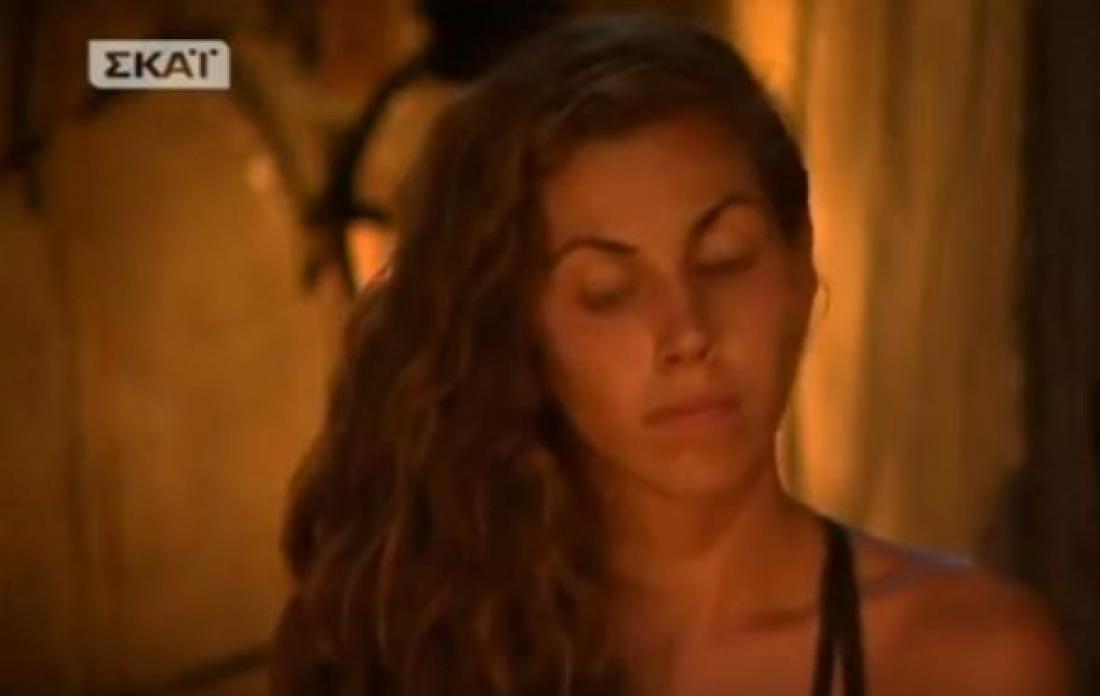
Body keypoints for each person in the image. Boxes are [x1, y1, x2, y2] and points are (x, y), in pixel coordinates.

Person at [269, 14, 1071, 696]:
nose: (687, 333)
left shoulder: (964, 659)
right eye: (609, 292)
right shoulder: (425, 642)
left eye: (724, 259)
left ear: (799, 268)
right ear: (521, 329)